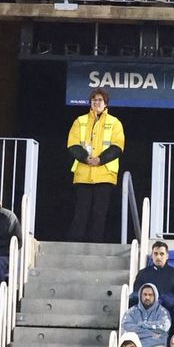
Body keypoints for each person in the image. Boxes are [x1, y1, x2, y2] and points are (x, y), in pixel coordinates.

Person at [66, 88, 124, 241]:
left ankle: (95, 243)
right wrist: (85, 158)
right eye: (94, 100)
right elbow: (72, 144)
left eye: (100, 100)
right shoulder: (80, 121)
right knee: (81, 211)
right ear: (90, 103)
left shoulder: (114, 123)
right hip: (83, 174)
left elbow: (118, 146)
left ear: (105, 104)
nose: (97, 102)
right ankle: (75, 244)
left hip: (105, 174)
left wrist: (100, 159)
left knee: (100, 213)